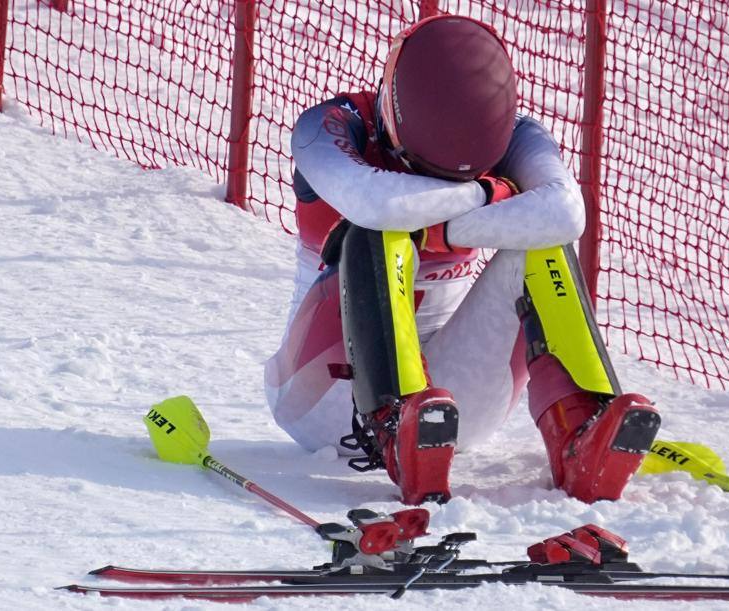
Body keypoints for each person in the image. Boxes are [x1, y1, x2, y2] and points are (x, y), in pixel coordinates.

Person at [265, 15, 661, 505]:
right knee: (378, 232)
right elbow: (379, 205)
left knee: (542, 242)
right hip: (325, 400)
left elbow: (564, 212)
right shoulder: (329, 125)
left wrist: (440, 221)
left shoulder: (520, 134)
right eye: (423, 170)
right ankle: (394, 421)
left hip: (450, 415)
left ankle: (579, 431)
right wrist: (487, 194)